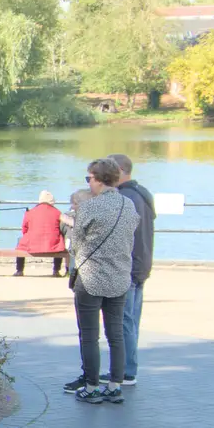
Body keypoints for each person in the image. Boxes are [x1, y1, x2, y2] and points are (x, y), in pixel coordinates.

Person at [65, 159, 139, 404]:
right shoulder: (128, 205)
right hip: (119, 278)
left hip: (91, 278)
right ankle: (115, 385)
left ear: (97, 179)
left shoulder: (90, 207)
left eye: (89, 179)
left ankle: (92, 386)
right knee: (115, 334)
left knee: (89, 335)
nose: (89, 183)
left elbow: (75, 245)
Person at [107, 154, 154, 385]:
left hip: (129, 264)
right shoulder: (143, 194)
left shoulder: (125, 198)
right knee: (131, 320)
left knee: (123, 321)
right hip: (142, 262)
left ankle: (126, 370)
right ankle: (127, 368)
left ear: (118, 171)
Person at [16, 190, 66, 277]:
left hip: (32, 243)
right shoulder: (57, 212)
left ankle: (19, 270)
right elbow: (61, 228)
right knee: (60, 240)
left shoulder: (30, 212)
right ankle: (56, 270)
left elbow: (24, 229)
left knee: (20, 241)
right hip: (52, 244)